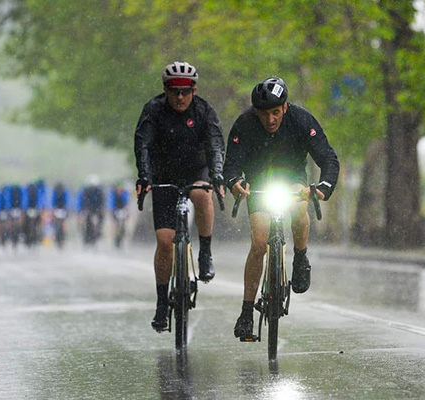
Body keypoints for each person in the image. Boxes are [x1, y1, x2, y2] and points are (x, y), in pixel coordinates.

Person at [223, 77, 340, 339]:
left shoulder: (302, 120)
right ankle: (246, 313)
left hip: (293, 180)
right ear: (256, 111)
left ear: (285, 107)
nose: (270, 119)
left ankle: (300, 257)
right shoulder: (244, 124)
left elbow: (328, 158)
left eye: (276, 112)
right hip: (259, 183)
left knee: (299, 210)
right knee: (259, 243)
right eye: (264, 114)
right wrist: (234, 182)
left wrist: (323, 186)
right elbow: (231, 164)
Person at [134, 61, 226, 332]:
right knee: (165, 242)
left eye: (186, 91)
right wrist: (144, 176)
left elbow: (216, 145)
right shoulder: (153, 110)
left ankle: (205, 253)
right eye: (174, 91)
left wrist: (217, 174)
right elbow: (142, 145)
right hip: (164, 174)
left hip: (198, 169)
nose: (180, 97)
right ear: (165, 90)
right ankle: (162, 303)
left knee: (202, 194)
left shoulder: (204, 111)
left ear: (194, 90)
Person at [78, 175, 105, 246]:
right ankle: (86, 238)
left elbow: (102, 202)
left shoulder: (100, 192)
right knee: (85, 222)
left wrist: (100, 210)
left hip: (97, 210)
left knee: (100, 221)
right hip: (88, 210)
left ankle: (99, 233)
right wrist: (84, 210)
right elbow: (84, 201)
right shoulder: (86, 191)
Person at [108, 180, 130, 248]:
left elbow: (127, 203)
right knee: (116, 226)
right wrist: (112, 211)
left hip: (122, 210)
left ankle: (121, 238)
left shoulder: (125, 193)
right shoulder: (112, 194)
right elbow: (111, 204)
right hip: (115, 211)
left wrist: (127, 211)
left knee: (123, 226)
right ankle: (115, 239)